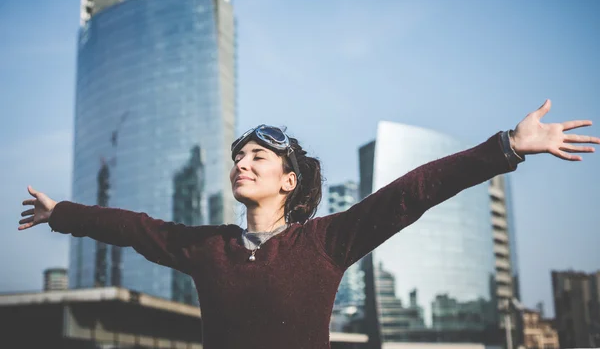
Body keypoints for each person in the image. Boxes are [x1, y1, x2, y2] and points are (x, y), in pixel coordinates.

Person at [19, 99, 599, 349]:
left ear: (288, 180)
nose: (241, 165)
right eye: (238, 158)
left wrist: (508, 147)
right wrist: (60, 214)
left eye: (258, 158)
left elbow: (415, 191)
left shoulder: (325, 243)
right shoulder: (206, 248)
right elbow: (131, 227)